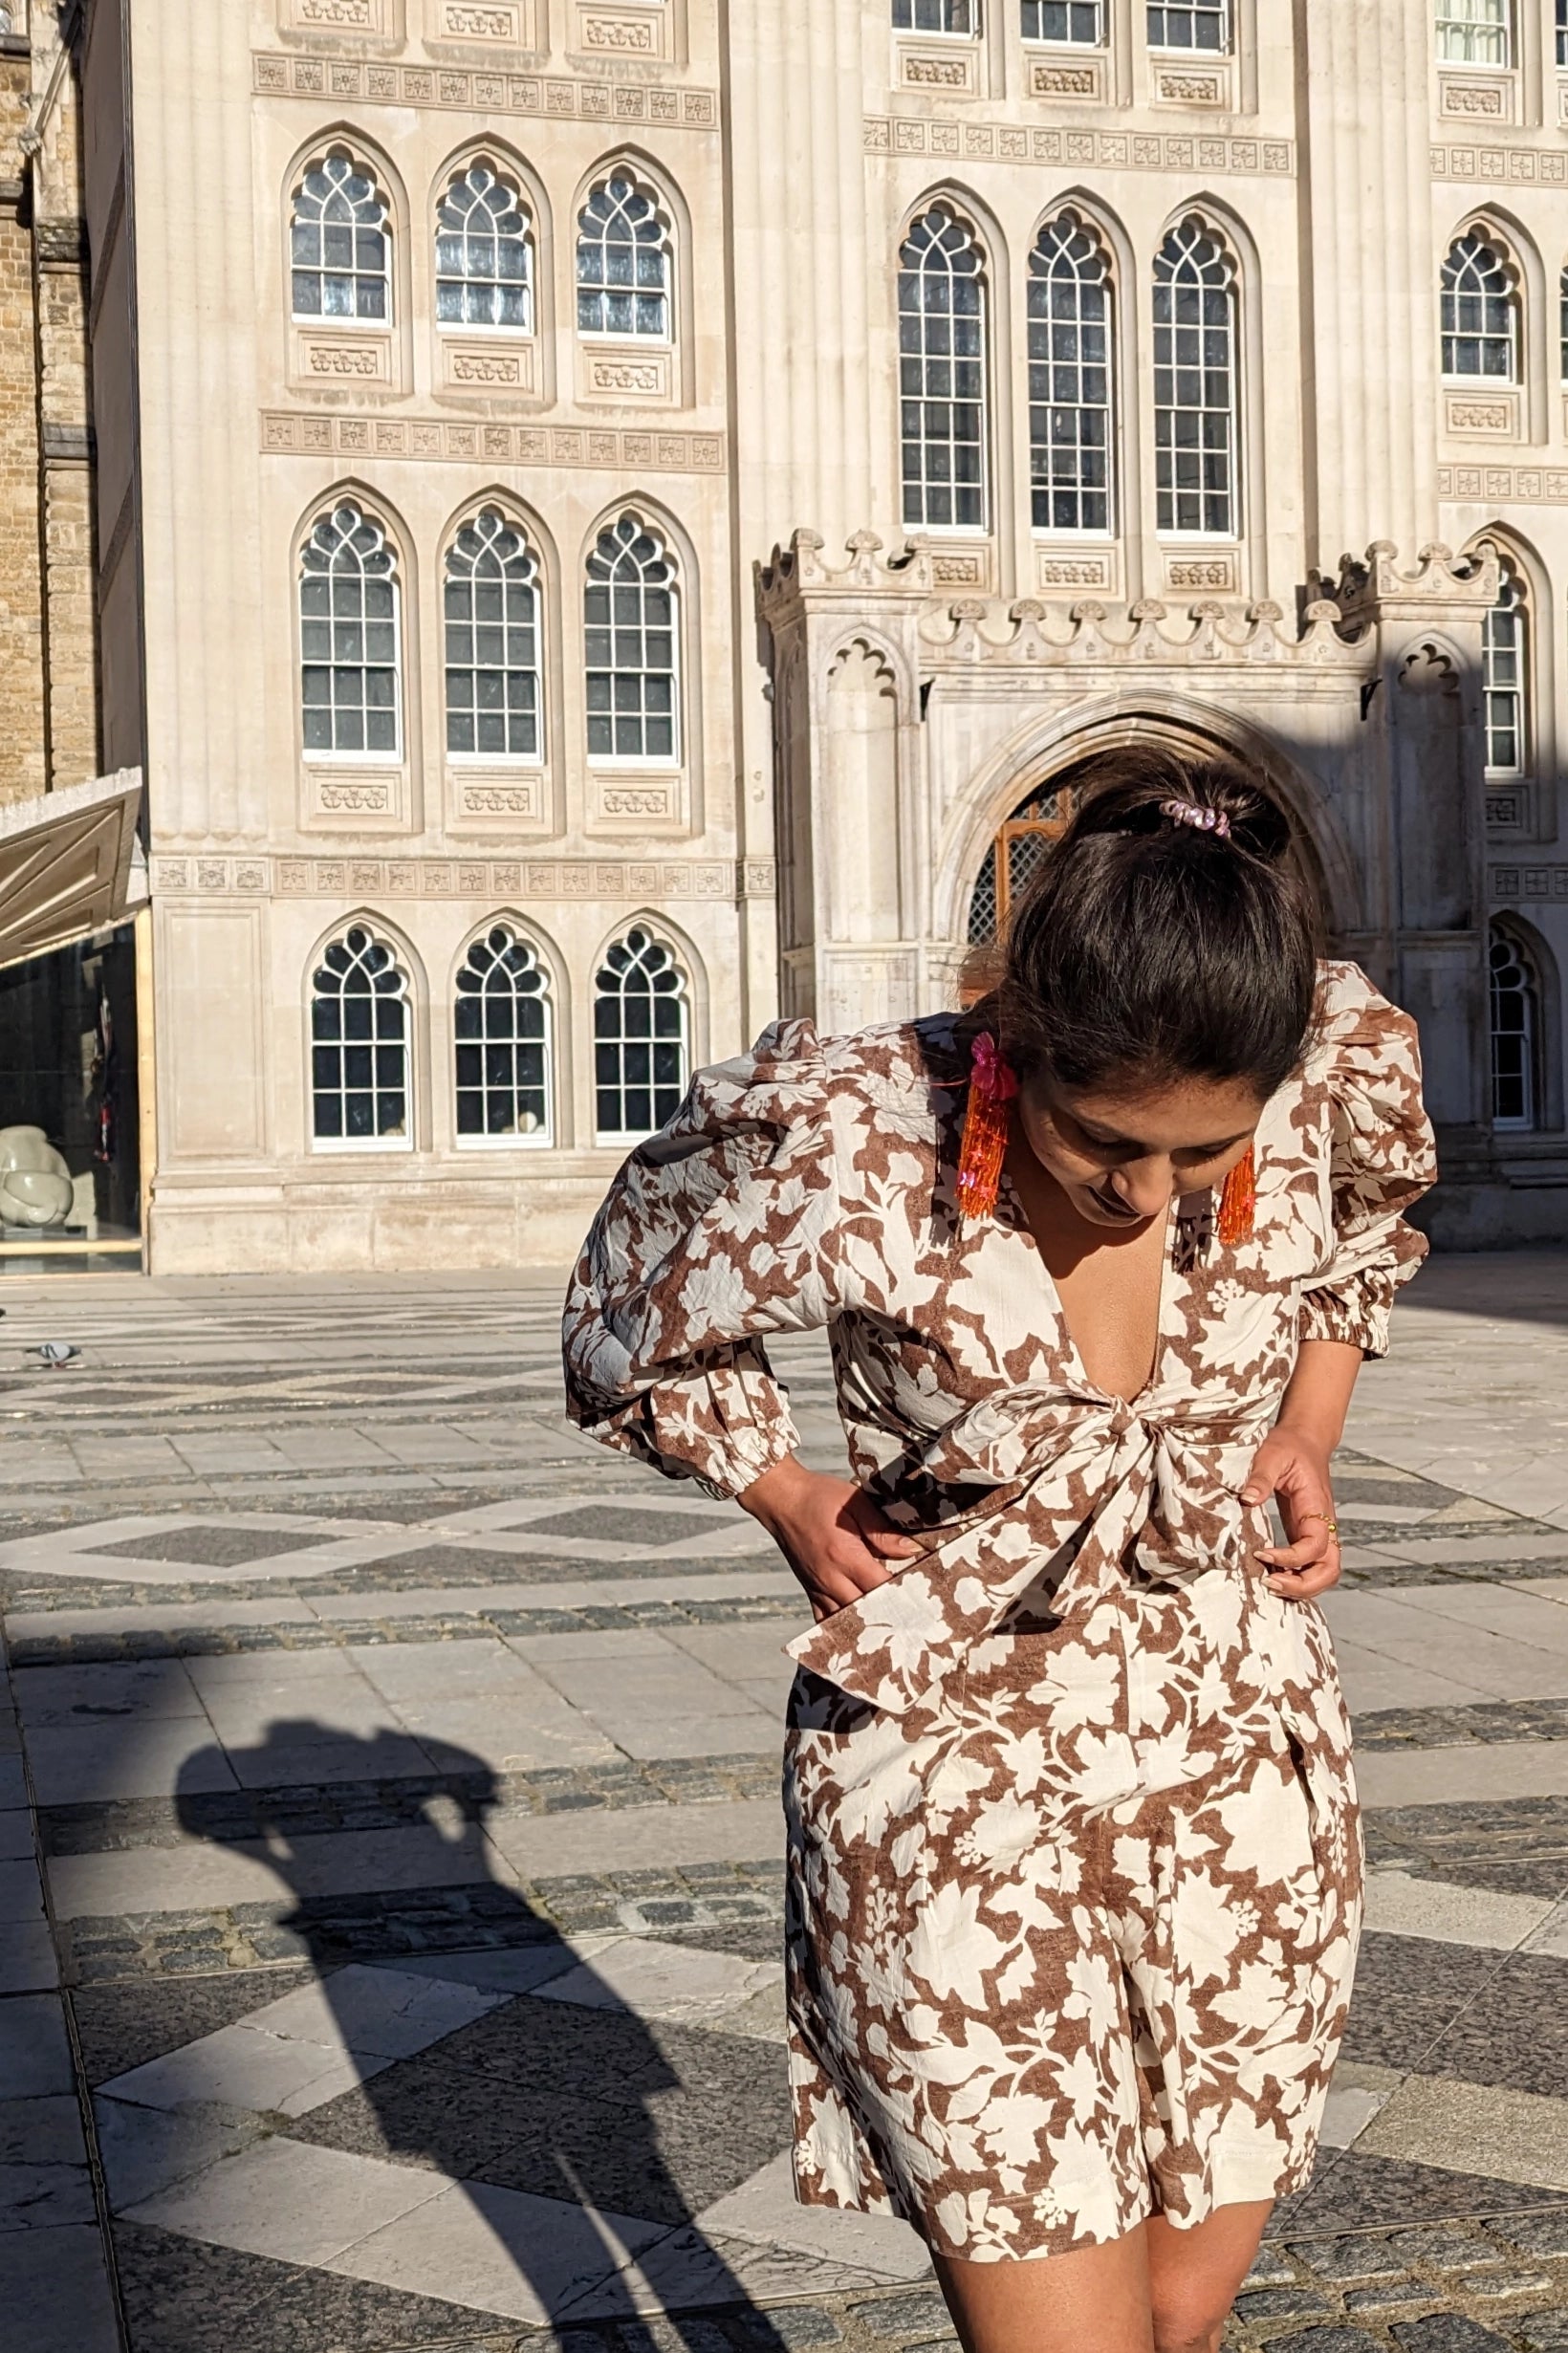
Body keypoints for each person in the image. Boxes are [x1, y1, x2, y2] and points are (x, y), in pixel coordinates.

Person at [562, 748, 1436, 2353]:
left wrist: (1308, 1428)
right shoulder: (860, 1126)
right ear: (1017, 1036)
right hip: (953, 1786)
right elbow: (632, 1308)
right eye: (1108, 1140)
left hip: (1234, 1763)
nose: (1149, 1193)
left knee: (1177, 2322)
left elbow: (1366, 1238)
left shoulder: (1320, 1074)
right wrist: (785, 1491)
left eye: (1202, 1157)